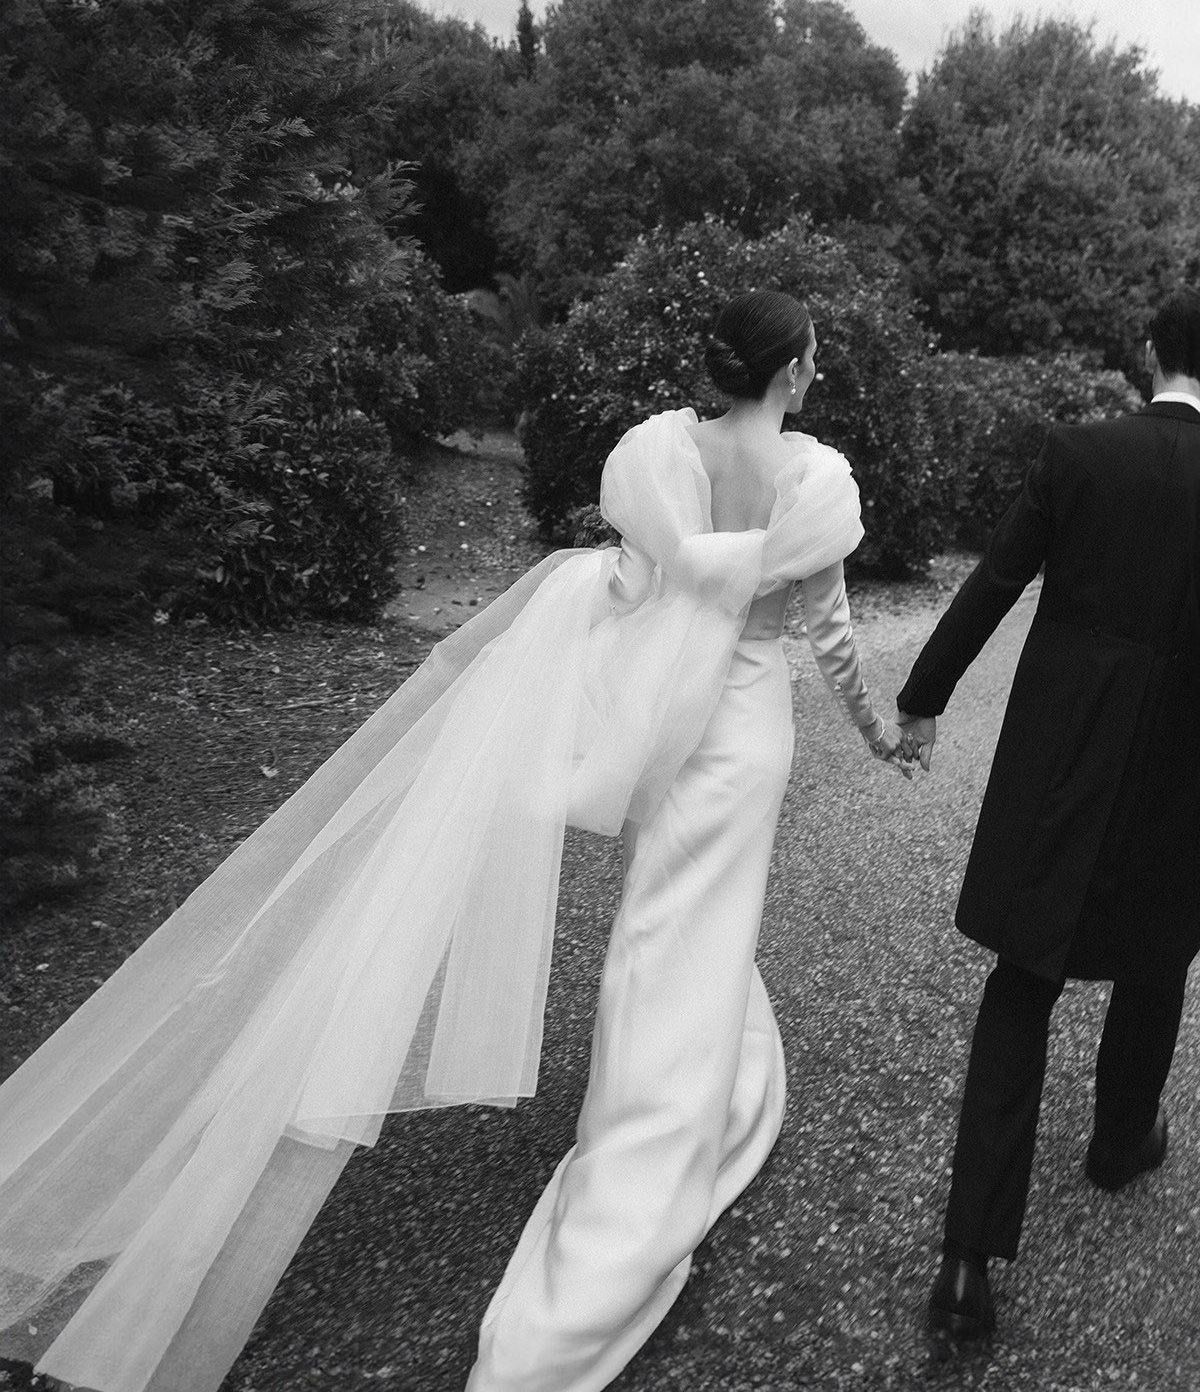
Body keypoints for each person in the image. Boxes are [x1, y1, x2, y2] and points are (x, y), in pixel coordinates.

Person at [0, 290, 910, 1392]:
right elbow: (836, 645)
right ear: (797, 368)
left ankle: (675, 1080)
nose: (816, 370)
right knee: (702, 927)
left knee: (657, 922)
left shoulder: (658, 457)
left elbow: (628, 591)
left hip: (671, 741)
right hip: (747, 735)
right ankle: (640, 1179)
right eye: (813, 356)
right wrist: (883, 738)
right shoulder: (816, 485)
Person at [894, 285, 1200, 1343]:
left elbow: (993, 582)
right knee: (1158, 954)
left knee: (1025, 977)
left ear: (1147, 351)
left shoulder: (1078, 452)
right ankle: (1120, 1141)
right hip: (1185, 768)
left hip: (1063, 755)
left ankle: (967, 1261)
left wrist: (922, 695)